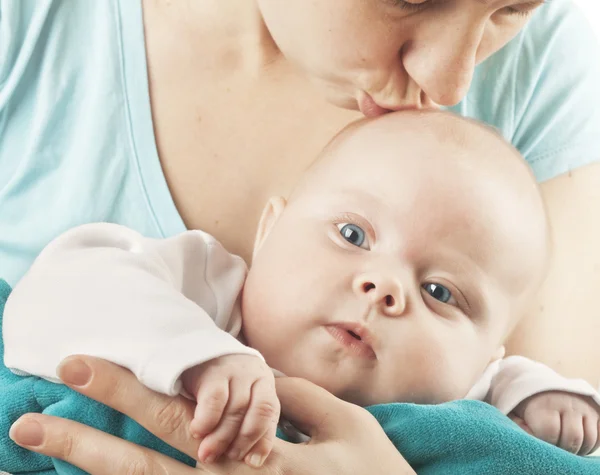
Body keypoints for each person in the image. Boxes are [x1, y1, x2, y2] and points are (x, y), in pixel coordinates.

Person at [1, 0, 600, 472]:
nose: (449, 88)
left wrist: (546, 400)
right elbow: (60, 293)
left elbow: (512, 396)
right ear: (268, 232)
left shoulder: (463, 389)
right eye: (351, 234)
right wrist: (197, 359)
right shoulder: (207, 289)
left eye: (440, 292)